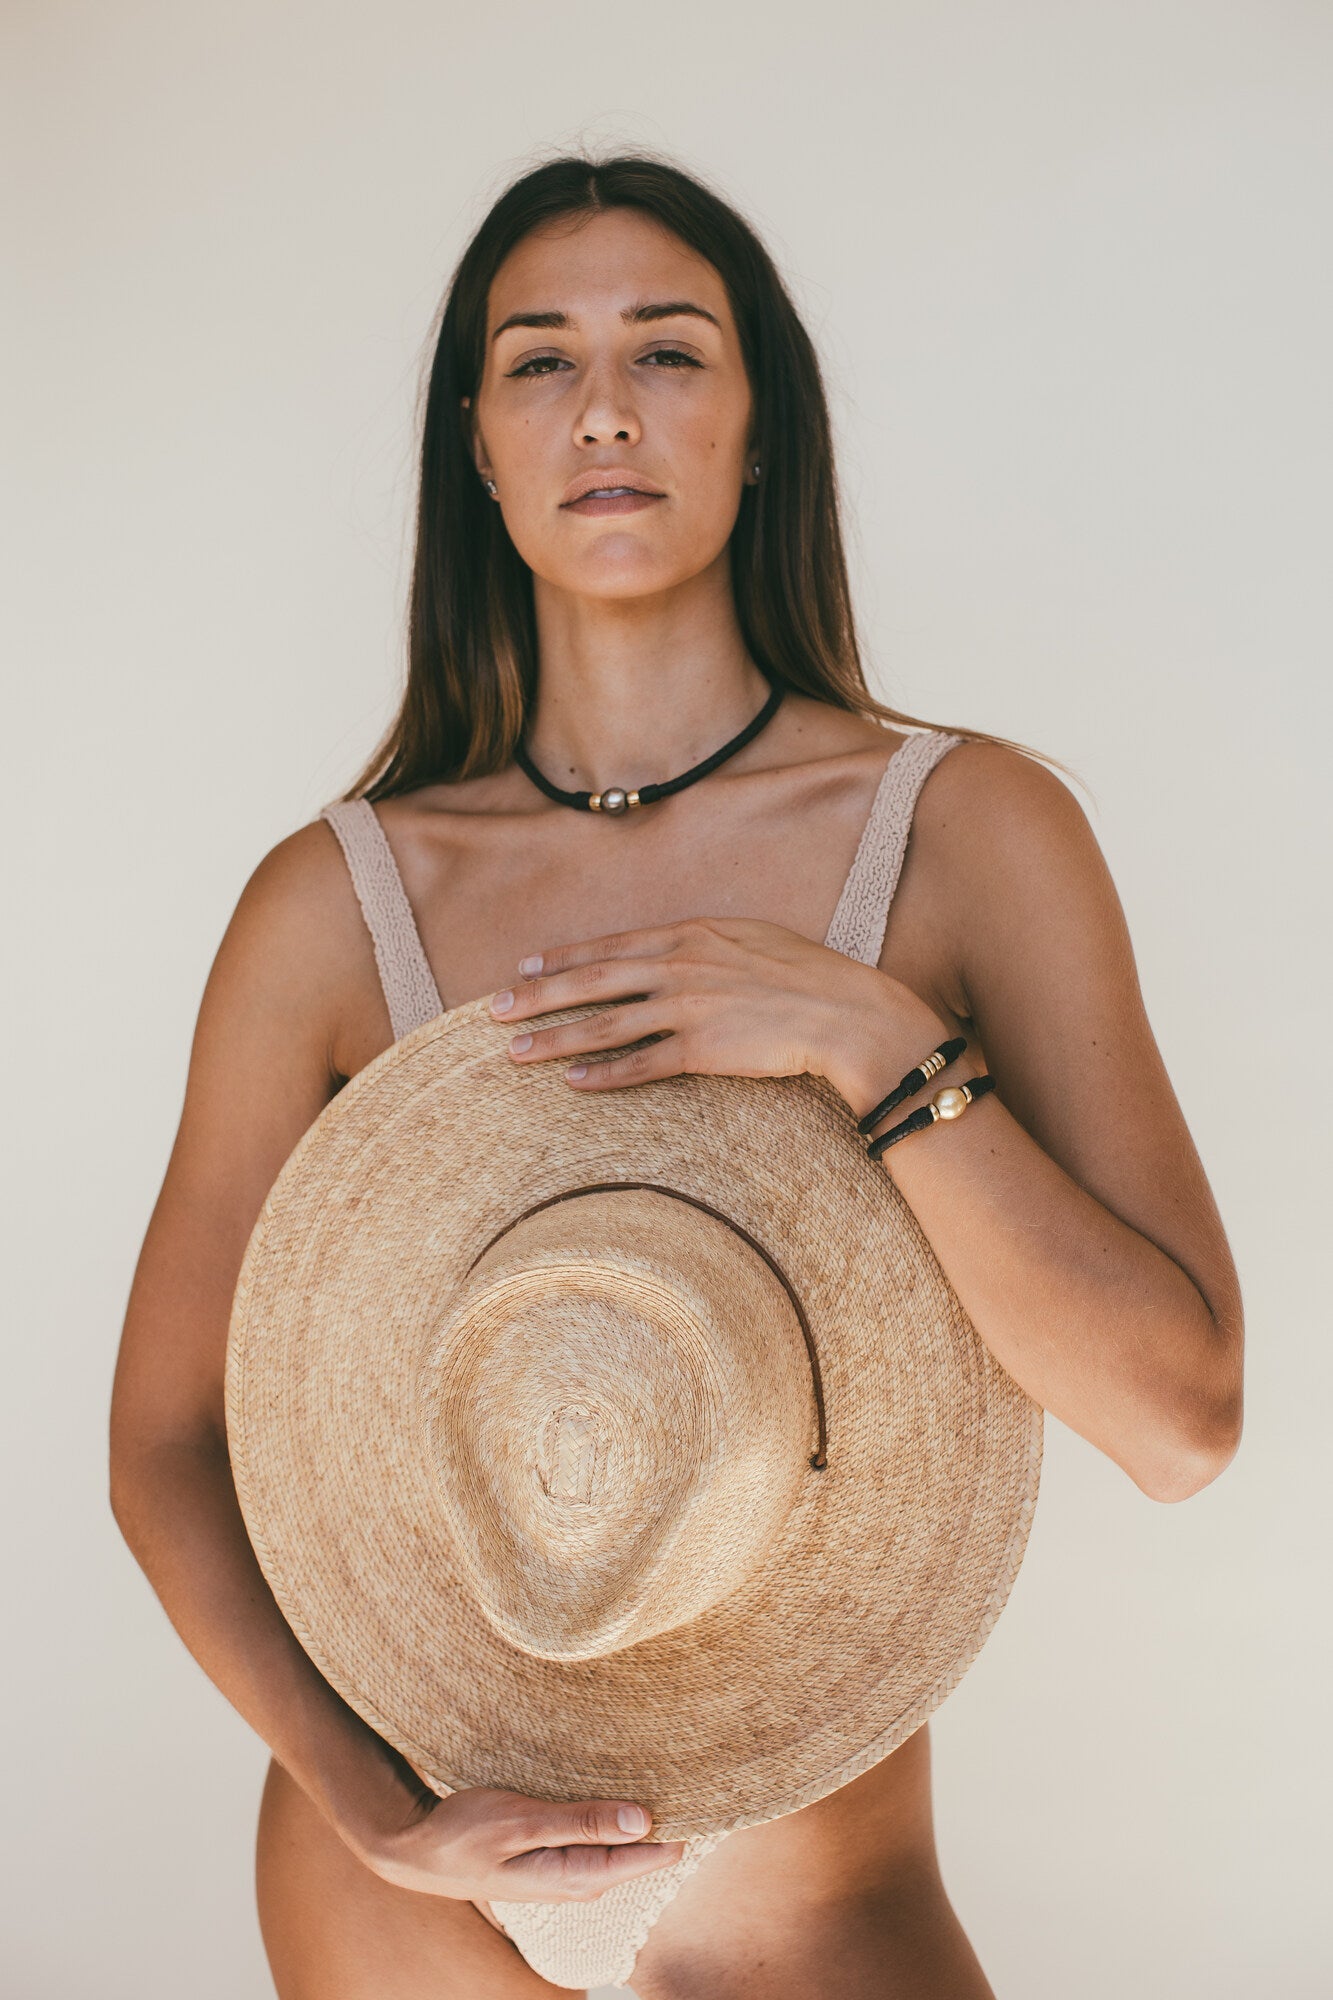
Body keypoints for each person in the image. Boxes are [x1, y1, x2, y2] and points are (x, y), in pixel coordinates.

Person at [109, 152, 1245, 1999]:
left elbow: (1180, 1422)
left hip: (814, 1902)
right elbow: (164, 1442)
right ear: (474, 444)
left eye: (671, 350)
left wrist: (871, 1039)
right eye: (539, 361)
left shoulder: (965, 837)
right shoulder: (336, 908)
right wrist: (361, 1805)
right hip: (412, 1882)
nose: (608, 407)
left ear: (760, 424)